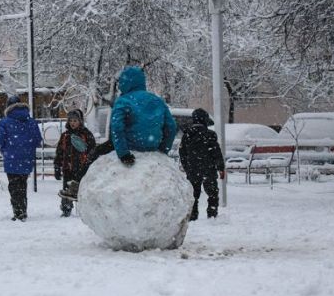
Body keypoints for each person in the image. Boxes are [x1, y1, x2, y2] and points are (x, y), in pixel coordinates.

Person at [58, 66, 177, 201]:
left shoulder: (123, 101)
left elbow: (117, 128)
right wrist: (163, 149)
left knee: (94, 153)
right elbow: (171, 127)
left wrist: (123, 153)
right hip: (152, 145)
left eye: (122, 82)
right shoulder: (157, 101)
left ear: (127, 82)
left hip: (130, 143)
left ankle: (76, 186)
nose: (120, 85)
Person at [0, 95, 43, 222]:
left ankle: (18, 211)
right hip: (27, 158)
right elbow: (38, 140)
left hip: (11, 158)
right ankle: (23, 210)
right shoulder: (31, 121)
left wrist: (4, 149)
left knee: (14, 185)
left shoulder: (5, 122)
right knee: (22, 184)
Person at [178, 108, 225, 220]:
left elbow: (182, 153)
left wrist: (186, 167)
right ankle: (212, 214)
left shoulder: (187, 134)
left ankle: (193, 215)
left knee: (193, 194)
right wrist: (221, 168)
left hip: (193, 169)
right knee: (212, 193)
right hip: (208, 169)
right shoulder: (210, 135)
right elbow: (216, 152)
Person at [54, 109, 96, 216]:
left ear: (80, 121)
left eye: (75, 120)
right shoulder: (65, 135)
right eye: (71, 120)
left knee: (82, 189)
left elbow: (93, 150)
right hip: (67, 167)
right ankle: (66, 209)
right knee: (67, 189)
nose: (72, 123)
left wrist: (89, 160)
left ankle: (85, 211)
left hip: (82, 168)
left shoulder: (86, 134)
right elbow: (59, 152)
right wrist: (57, 166)